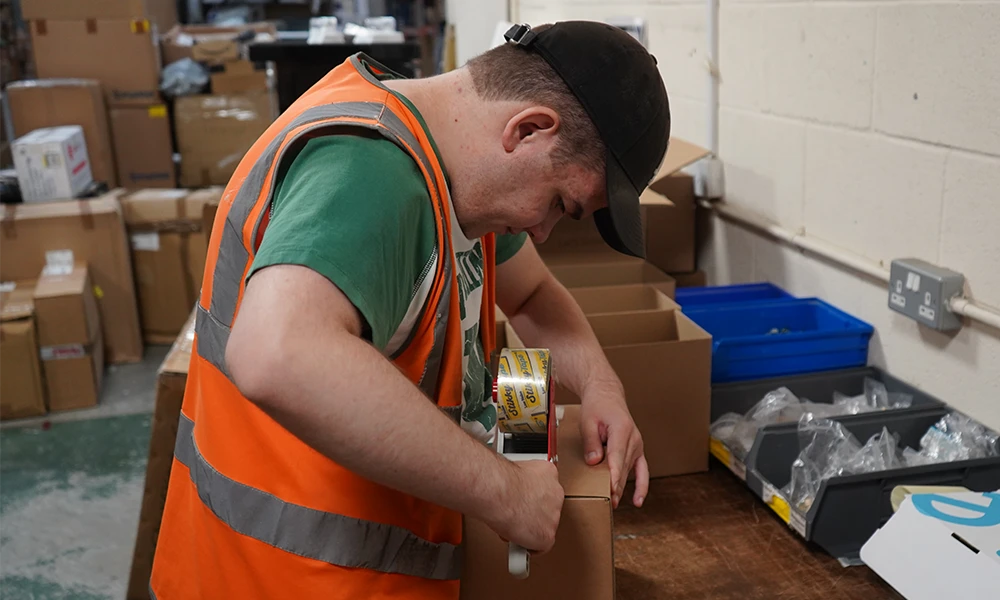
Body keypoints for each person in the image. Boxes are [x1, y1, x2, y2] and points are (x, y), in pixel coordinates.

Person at [150, 20, 671, 599]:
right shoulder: (373, 174)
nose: (543, 231)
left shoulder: (455, 170)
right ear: (527, 130)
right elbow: (276, 352)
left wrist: (602, 386)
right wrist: (508, 493)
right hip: (289, 579)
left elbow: (531, 295)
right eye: (558, 203)